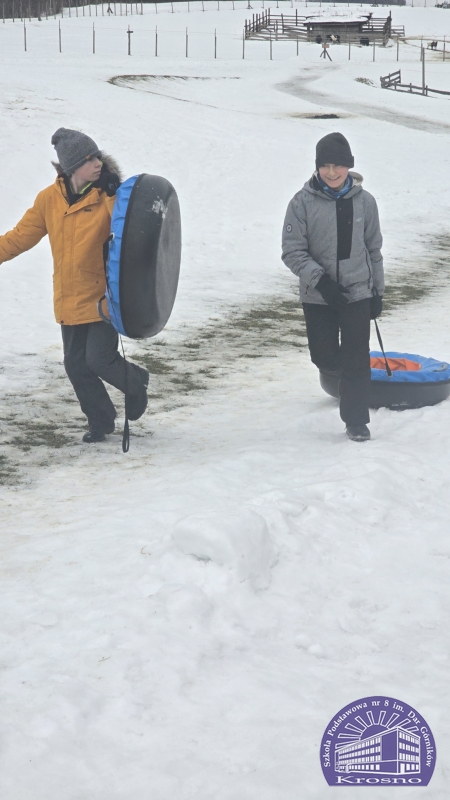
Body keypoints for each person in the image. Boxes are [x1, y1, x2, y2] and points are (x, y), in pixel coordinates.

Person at [0, 128, 149, 444]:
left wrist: (114, 194)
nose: (97, 163)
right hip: (69, 295)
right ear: (70, 167)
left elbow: (129, 236)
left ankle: (135, 382)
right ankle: (100, 421)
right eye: (88, 159)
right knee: (75, 365)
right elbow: (19, 237)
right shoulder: (48, 200)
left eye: (97, 157)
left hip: (104, 296)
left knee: (99, 359)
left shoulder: (108, 195)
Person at [282, 132, 384, 442]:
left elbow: (374, 249)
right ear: (317, 167)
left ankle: (356, 420)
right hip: (318, 295)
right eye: (325, 165)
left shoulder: (365, 202)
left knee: (356, 357)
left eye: (337, 165)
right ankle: (348, 379)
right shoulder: (301, 203)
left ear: (348, 166)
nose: (331, 172)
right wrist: (322, 282)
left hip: (357, 292)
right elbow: (292, 251)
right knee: (324, 357)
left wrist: (377, 292)